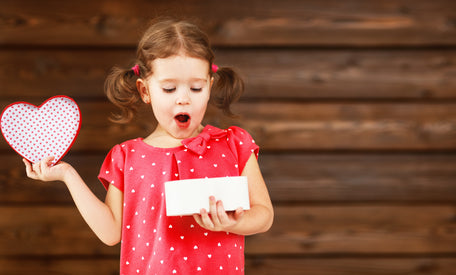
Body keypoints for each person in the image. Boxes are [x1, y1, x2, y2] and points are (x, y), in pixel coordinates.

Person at [23, 18, 274, 274]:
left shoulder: (233, 144)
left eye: (196, 88)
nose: (183, 99)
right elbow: (110, 233)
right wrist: (67, 174)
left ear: (210, 87)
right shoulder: (126, 157)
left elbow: (264, 216)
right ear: (145, 91)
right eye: (169, 89)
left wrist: (234, 221)